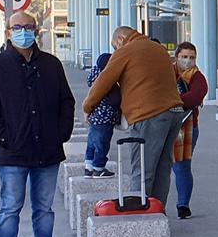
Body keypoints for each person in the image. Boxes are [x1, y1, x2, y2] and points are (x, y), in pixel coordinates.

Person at [0, 12, 76, 237]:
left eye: (28, 27)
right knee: (10, 209)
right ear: (8, 32)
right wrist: (4, 138)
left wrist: (60, 134)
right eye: (17, 27)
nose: (23, 31)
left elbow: (67, 102)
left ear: (37, 30)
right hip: (13, 153)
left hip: (47, 150)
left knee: (44, 209)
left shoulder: (51, 65)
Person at [83, 26, 184, 205]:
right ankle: (157, 213)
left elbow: (103, 81)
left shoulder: (126, 51)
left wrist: (87, 107)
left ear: (121, 39)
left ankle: (141, 216)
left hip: (149, 115)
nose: (115, 51)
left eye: (115, 46)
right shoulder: (158, 49)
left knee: (142, 169)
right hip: (174, 113)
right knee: (162, 167)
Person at [171, 42, 208, 219]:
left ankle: (183, 205)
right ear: (176, 56)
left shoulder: (197, 77)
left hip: (187, 127)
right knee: (161, 166)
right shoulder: (166, 72)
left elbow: (195, 96)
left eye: (191, 57)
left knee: (181, 166)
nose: (187, 60)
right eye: (184, 57)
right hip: (165, 125)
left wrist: (172, 101)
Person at [83, 52, 119, 178]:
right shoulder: (107, 79)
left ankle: (88, 167)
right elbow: (115, 99)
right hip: (105, 118)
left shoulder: (94, 77)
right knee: (102, 144)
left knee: (92, 143)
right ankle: (99, 168)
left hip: (94, 117)